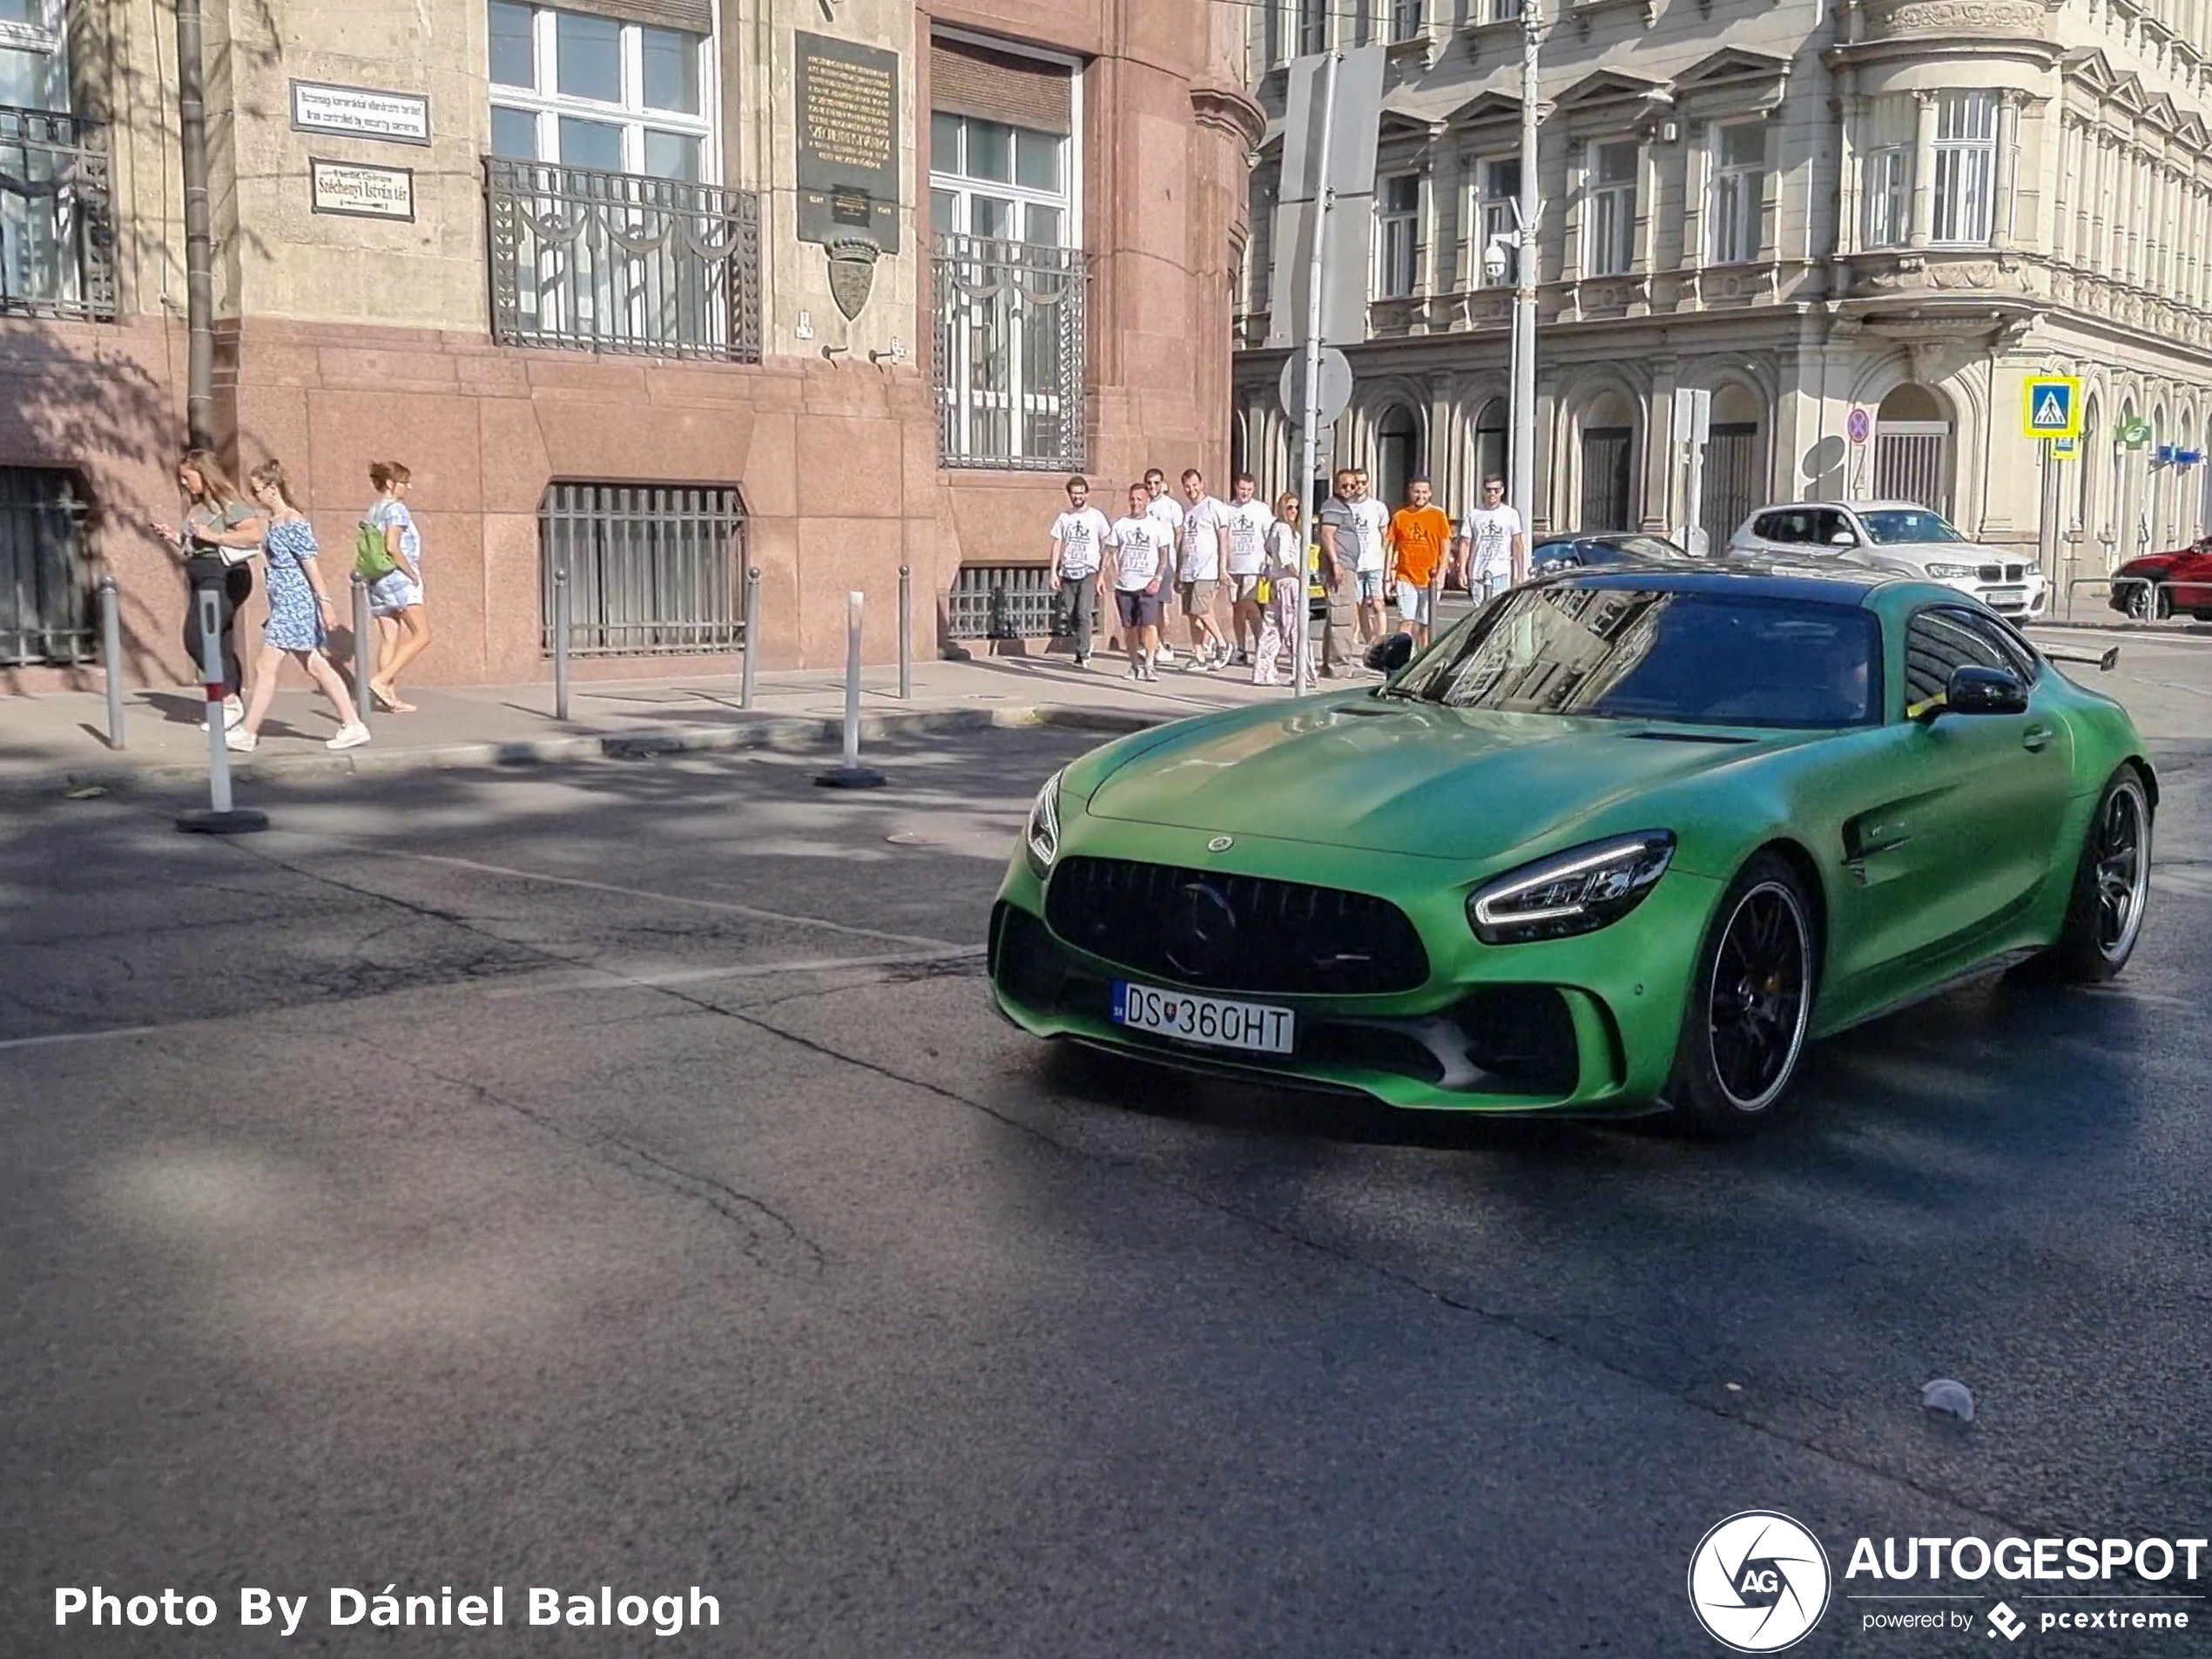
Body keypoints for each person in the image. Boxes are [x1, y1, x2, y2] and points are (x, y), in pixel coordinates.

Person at [226, 461, 371, 753]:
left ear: (272, 487)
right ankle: (352, 724)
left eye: (257, 490)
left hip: (295, 602)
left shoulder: (293, 521)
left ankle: (248, 731)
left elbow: (310, 565)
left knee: (266, 666)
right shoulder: (276, 523)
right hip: (287, 602)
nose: (256, 497)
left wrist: (325, 603)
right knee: (315, 665)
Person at [147, 448, 263, 730]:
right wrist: (174, 537)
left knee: (197, 639)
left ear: (205, 473)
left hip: (223, 576)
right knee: (219, 641)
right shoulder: (199, 506)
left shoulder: (227, 501)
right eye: (181, 478)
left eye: (187, 477)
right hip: (204, 575)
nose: (184, 483)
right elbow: (196, 546)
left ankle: (227, 701)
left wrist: (215, 535)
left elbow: (254, 533)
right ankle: (226, 701)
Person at [362, 460, 431, 711]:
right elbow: (393, 546)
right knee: (422, 634)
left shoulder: (373, 510)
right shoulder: (397, 509)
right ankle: (381, 682)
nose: (409, 487)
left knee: (389, 637)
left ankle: (390, 697)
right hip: (397, 578)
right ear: (391, 484)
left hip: (377, 579)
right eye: (404, 482)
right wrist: (411, 573)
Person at [1109, 482, 1171, 681]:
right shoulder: (1121, 525)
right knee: (1129, 627)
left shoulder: (1156, 526)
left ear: (1146, 501)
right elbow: (1110, 551)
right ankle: (1135, 664)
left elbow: (1164, 556)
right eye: (1133, 499)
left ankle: (1150, 664)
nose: (1136, 503)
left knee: (1149, 625)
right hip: (1125, 584)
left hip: (1147, 585)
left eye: (1139, 499)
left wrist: (1158, 578)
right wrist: (1104, 574)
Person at [1049, 475, 1111, 668]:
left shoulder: (1096, 517)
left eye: (1080, 493)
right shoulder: (1064, 517)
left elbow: (1106, 543)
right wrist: (1053, 571)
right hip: (1068, 571)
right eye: (1073, 493)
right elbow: (1057, 543)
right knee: (1072, 613)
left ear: (1086, 494)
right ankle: (1083, 643)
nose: (1077, 496)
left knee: (1084, 612)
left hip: (1089, 570)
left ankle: (1083, 653)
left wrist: (1102, 572)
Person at [1176, 468, 1233, 671]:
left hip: (1207, 568)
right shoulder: (1189, 512)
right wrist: (1179, 572)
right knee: (1193, 614)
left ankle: (1222, 644)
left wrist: (1222, 567)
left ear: (1202, 484)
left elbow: (1223, 537)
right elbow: (1183, 542)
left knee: (1201, 610)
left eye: (1194, 485)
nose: (1191, 490)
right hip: (1189, 568)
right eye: (1187, 487)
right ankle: (1198, 655)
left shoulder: (1213, 506)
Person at [1387, 476, 1453, 649]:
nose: (1420, 496)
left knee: (1425, 622)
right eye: (1417, 491)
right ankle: (1403, 659)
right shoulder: (1400, 516)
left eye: (1424, 492)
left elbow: (1445, 544)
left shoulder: (1438, 515)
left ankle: (1422, 657)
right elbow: (1391, 546)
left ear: (1430, 493)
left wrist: (1441, 572)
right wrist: (1388, 575)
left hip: (1429, 579)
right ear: (1410, 492)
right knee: (1406, 621)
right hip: (1405, 576)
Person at [1312, 469, 1364, 677]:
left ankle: (1330, 664)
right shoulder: (1333, 506)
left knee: (1335, 616)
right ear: (1335, 485)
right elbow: (1327, 535)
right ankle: (1341, 666)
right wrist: (1335, 563)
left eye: (1353, 485)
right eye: (1345, 485)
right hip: (1339, 568)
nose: (1350, 489)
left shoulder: (1342, 507)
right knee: (1342, 618)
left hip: (1344, 566)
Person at [1252, 491, 1305, 687]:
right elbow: (1284, 557)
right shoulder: (1283, 528)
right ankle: (1301, 673)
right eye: (1289, 507)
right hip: (1289, 582)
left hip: (1278, 581)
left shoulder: (1280, 528)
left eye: (1296, 507)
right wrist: (1300, 574)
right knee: (1294, 629)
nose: (1293, 511)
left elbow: (1269, 549)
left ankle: (1264, 672)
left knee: (1271, 628)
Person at [1220, 472, 1273, 665]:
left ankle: (1262, 646)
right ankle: (1241, 648)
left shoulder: (1261, 510)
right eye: (1242, 489)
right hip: (1234, 566)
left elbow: (1269, 536)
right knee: (1237, 609)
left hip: (1254, 565)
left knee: (1251, 607)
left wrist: (1269, 561)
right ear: (1236, 487)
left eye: (1249, 490)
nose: (1245, 493)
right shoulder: (1227, 509)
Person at [1455, 475, 1527, 604]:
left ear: (1502, 491)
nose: (1492, 494)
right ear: (1484, 491)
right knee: (1480, 613)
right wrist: (1462, 571)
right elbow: (1465, 543)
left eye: (1496, 490)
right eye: (1489, 490)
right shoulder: (1474, 514)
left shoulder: (1511, 514)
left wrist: (1520, 573)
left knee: (1497, 611)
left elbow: (1517, 543)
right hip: (1477, 571)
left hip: (1501, 572)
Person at [1142, 469, 1182, 664]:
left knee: (1160, 608)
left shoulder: (1171, 506)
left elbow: (1179, 535)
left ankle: (1164, 644)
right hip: (1144, 564)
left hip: (1166, 563)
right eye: (1149, 483)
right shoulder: (1142, 504)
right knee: (1146, 606)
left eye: (1156, 483)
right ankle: (1151, 643)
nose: (1152, 487)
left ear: (1162, 484)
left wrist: (1180, 564)